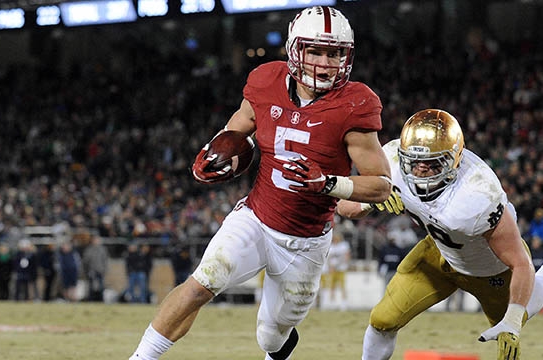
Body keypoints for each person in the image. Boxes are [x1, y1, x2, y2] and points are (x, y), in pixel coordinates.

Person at [129, 6, 391, 360]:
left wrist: (329, 184)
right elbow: (238, 127)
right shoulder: (266, 81)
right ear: (295, 50)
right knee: (201, 284)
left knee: (270, 335)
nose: (324, 63)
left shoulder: (355, 104)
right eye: (315, 50)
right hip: (256, 218)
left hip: (305, 241)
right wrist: (217, 151)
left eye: (334, 53)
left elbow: (380, 186)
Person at [336, 109, 543, 360]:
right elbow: (343, 206)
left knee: (523, 312)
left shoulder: (477, 195)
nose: (421, 170)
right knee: (382, 320)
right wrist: (371, 200)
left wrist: (513, 320)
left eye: (433, 162)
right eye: (415, 161)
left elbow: (520, 263)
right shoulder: (389, 160)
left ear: (453, 160)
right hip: (439, 252)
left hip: (492, 269)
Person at [327, 231, 352, 310]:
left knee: (342, 286)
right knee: (332, 286)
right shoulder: (331, 246)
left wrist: (344, 264)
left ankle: (344, 302)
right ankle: (332, 302)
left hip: (341, 268)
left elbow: (347, 256)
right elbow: (329, 258)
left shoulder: (344, 245)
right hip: (333, 269)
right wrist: (330, 267)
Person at [82, 235, 109, 302]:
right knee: (91, 287)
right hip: (92, 271)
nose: (96, 241)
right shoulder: (89, 249)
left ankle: (101, 300)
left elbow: (105, 260)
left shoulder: (103, 249)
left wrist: (104, 269)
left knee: (101, 286)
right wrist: (87, 271)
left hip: (100, 270)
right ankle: (91, 300)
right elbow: (85, 261)